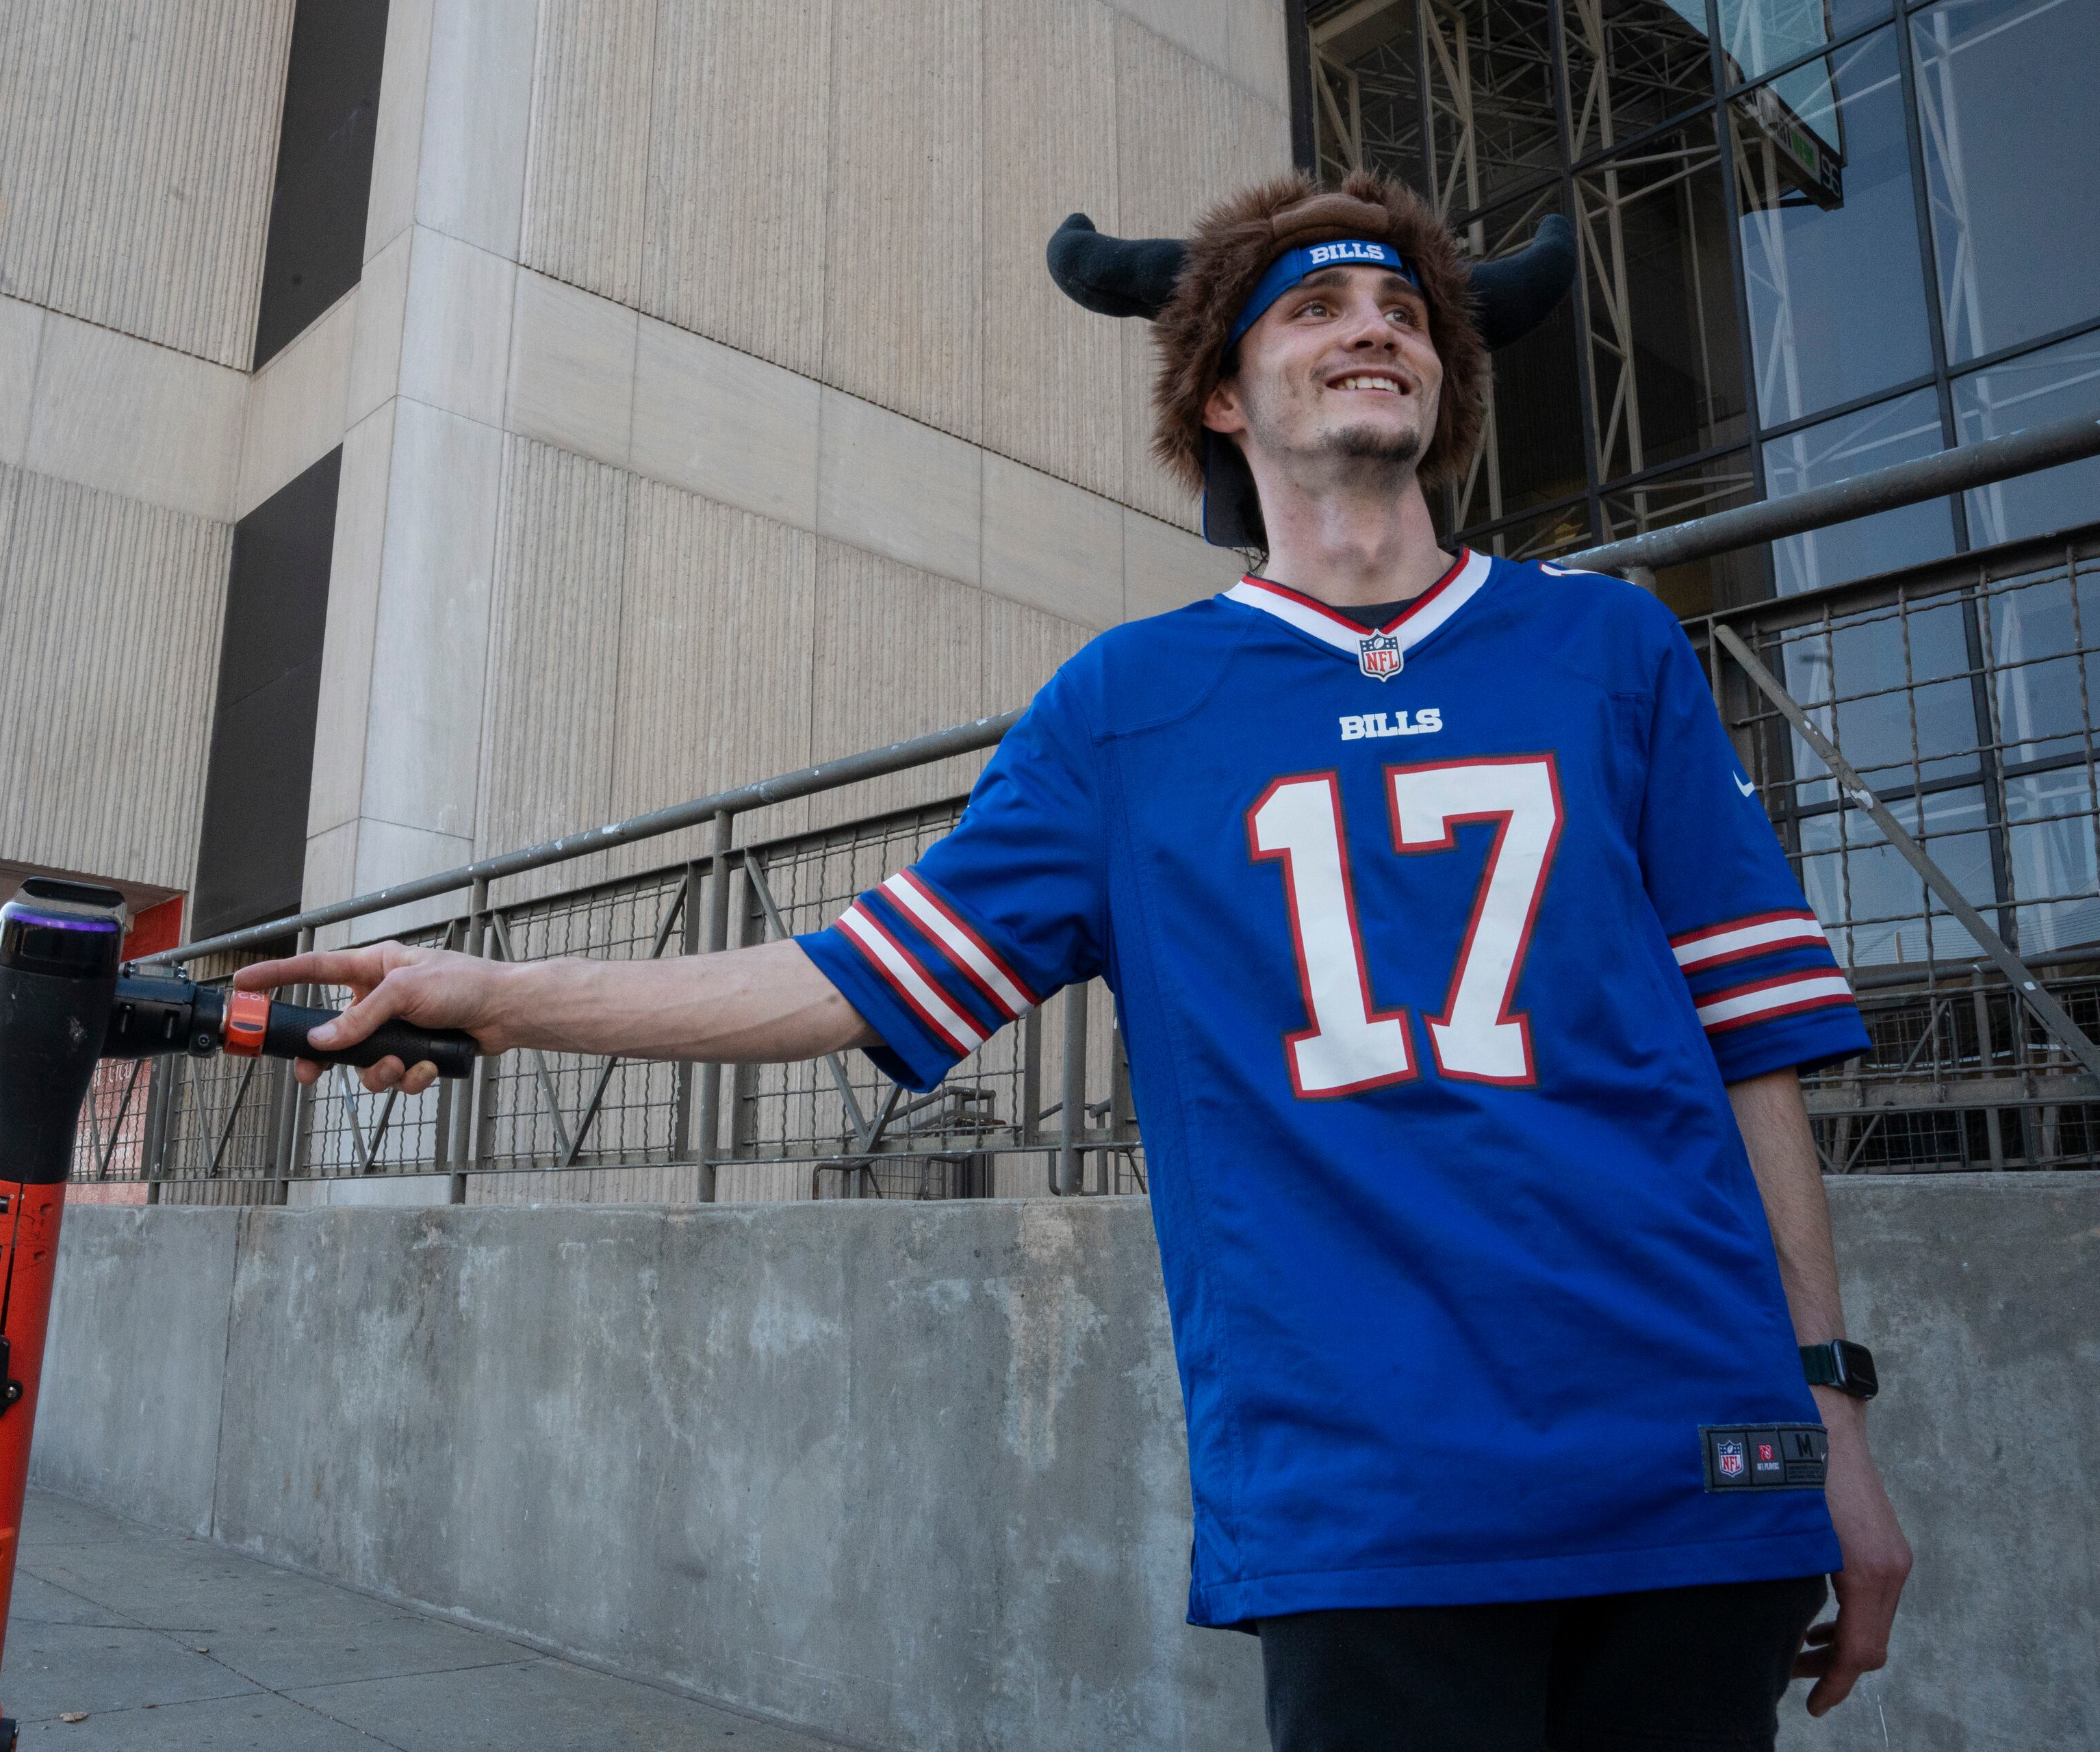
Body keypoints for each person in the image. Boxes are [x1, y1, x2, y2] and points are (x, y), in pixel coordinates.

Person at [238, 170, 1910, 1752]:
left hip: (1693, 1452)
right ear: (1224, 400)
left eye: (1405, 309)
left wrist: (1829, 1410)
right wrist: (497, 992)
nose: (1373, 324)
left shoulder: (1610, 646)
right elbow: (849, 976)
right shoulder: (1129, 709)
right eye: (1313, 304)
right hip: (1374, 1486)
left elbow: (1747, 1040)